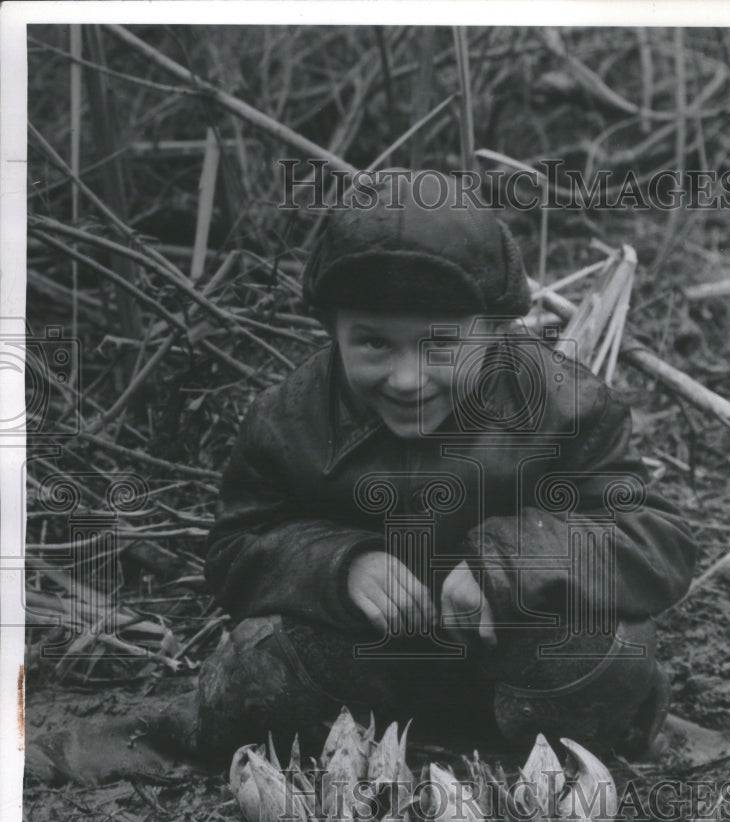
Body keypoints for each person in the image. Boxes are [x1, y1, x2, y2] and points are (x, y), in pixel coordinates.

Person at [185, 170, 697, 764]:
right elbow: (233, 551)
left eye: (442, 344)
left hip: (521, 660)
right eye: (373, 343)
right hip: (365, 672)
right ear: (331, 330)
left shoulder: (566, 406)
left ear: (499, 331)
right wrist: (337, 567)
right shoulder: (288, 419)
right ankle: (381, 760)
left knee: (614, 652)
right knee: (254, 666)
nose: (406, 379)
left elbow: (657, 541)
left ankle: (532, 764)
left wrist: (509, 564)